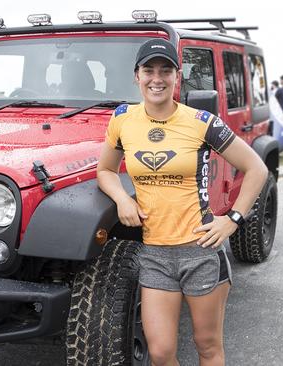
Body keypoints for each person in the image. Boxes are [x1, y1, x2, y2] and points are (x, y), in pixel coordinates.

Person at [96, 38, 268, 366]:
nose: (156, 78)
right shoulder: (122, 120)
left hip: (200, 252)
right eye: (149, 70)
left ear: (178, 78)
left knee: (207, 347)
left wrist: (232, 219)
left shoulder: (201, 122)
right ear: (137, 76)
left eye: (166, 71)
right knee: (160, 354)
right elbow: (105, 170)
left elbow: (256, 168)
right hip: (155, 255)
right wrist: (121, 198)